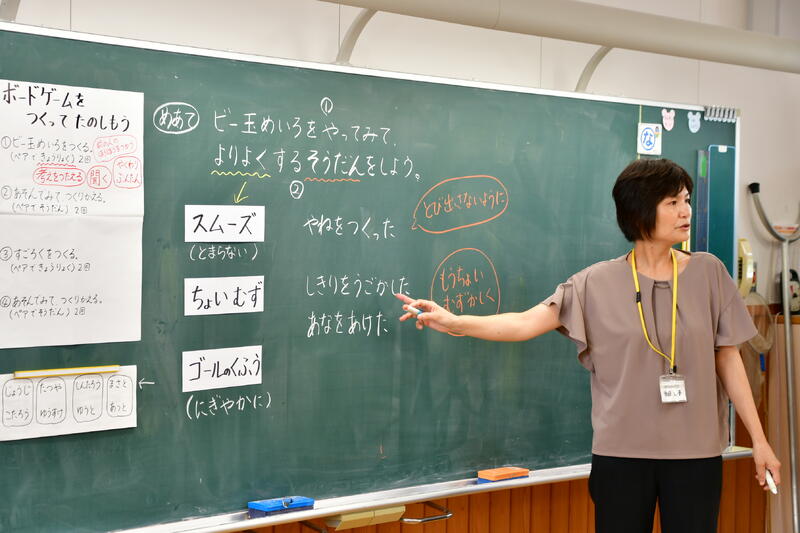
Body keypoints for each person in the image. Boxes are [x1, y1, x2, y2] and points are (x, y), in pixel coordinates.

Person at [396, 158, 780, 533]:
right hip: (621, 456)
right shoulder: (594, 283)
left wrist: (760, 441)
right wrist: (454, 321)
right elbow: (524, 323)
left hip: (696, 454)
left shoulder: (709, 272)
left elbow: (728, 357)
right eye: (673, 202)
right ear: (640, 211)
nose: (686, 211)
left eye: (687, 200)